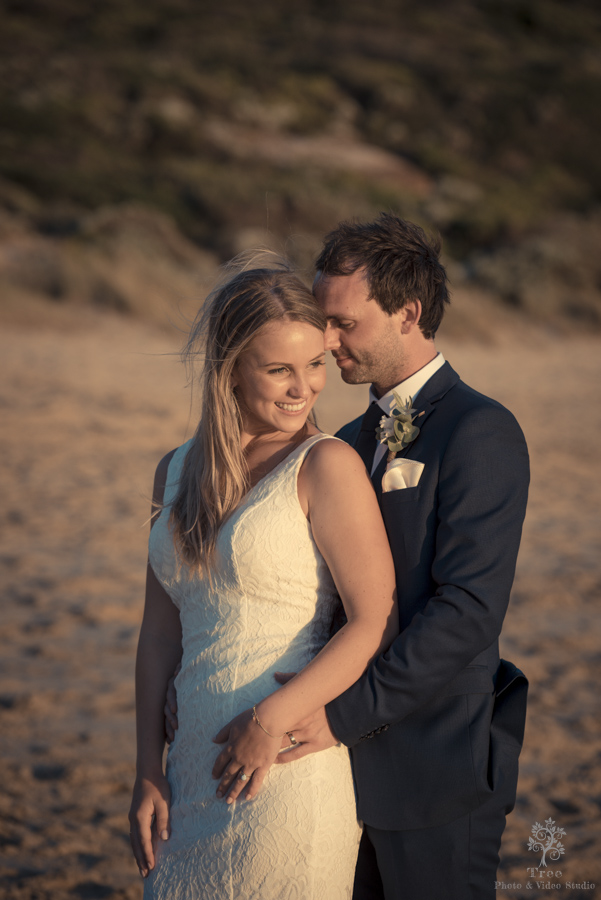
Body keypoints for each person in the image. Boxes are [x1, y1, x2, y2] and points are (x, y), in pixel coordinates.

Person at [196, 215, 530, 899]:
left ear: (408, 313)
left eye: (343, 323)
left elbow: (465, 613)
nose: (326, 340)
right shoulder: (344, 438)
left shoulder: (478, 430)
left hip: (432, 766)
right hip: (335, 773)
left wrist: (340, 716)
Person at [128, 259, 398, 900]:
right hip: (190, 767)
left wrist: (272, 720)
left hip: (283, 771)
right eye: (279, 368)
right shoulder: (176, 469)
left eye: (314, 366)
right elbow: (160, 634)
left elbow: (373, 619)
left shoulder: (326, 465)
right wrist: (146, 769)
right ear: (231, 368)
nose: (302, 387)